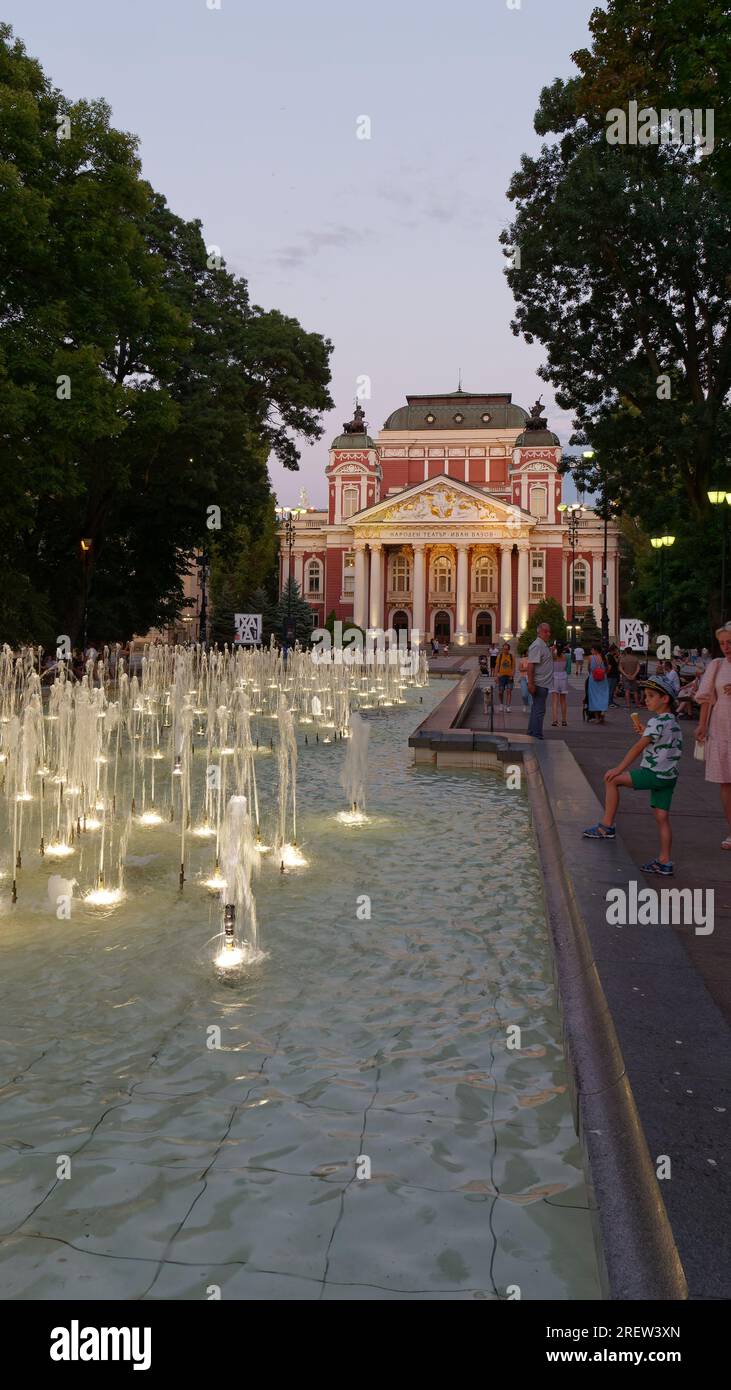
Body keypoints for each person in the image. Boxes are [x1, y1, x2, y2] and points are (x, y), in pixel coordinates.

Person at [582, 674, 682, 876]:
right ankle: (665, 861)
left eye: (651, 695)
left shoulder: (656, 722)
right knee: (662, 818)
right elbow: (664, 742)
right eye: (646, 695)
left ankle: (607, 826)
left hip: (653, 773)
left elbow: (638, 747)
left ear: (665, 699)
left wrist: (618, 769)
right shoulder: (672, 722)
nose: (646, 699)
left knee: (612, 780)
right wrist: (646, 732)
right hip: (669, 778)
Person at [695, 623, 731, 850]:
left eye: (730, 642)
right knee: (726, 782)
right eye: (722, 643)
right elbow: (707, 698)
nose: (726, 646)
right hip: (721, 729)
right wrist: (701, 725)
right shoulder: (717, 665)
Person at [527, 621, 553, 739]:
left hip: (543, 684)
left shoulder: (543, 645)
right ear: (539, 632)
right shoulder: (537, 645)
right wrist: (531, 683)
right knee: (539, 711)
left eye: (549, 631)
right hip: (539, 683)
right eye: (545, 631)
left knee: (536, 709)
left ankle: (532, 732)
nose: (548, 634)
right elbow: (531, 665)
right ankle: (536, 735)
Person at [587, 644, 609, 723]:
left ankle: (597, 718)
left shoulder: (590, 657)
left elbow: (589, 668)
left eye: (592, 649)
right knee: (603, 695)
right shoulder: (604, 657)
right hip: (603, 679)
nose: (591, 651)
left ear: (595, 650)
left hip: (593, 679)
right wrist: (603, 673)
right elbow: (607, 668)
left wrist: (592, 674)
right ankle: (603, 711)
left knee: (594, 697)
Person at [551, 643, 569, 726]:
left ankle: (555, 720)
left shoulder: (554, 656)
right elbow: (566, 668)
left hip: (555, 677)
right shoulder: (565, 656)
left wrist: (552, 648)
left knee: (555, 700)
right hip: (563, 677)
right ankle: (564, 720)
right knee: (563, 700)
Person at [495, 642, 515, 709]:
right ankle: (501, 704)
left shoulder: (512, 657)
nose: (505, 650)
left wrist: (512, 675)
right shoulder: (499, 656)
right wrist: (496, 676)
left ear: (509, 649)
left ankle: (508, 706)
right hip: (501, 676)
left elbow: (513, 667)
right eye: (504, 649)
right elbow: (497, 666)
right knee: (500, 691)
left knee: (509, 691)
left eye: (506, 649)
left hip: (509, 676)